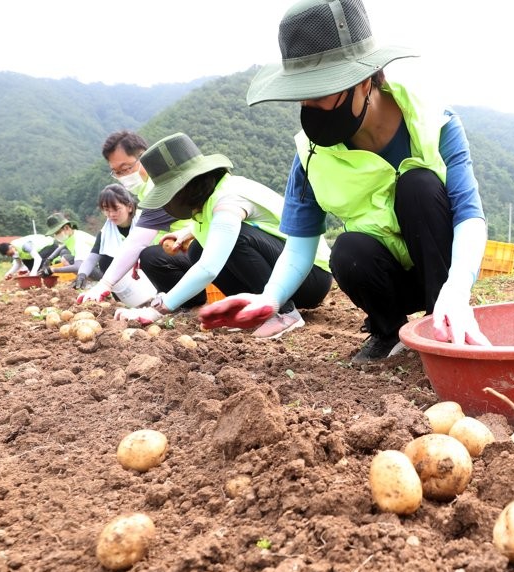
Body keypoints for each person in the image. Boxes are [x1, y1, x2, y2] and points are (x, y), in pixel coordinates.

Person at [199, 0, 491, 364]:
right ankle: (388, 332)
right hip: (385, 275)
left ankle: (442, 322)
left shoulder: (435, 124)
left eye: (322, 91)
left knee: (418, 185)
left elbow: (469, 215)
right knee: (349, 249)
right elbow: (300, 245)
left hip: (441, 270)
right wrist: (270, 297)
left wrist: (457, 288)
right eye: (302, 94)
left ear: (367, 79)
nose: (311, 106)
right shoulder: (310, 155)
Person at [113, 132, 333, 338]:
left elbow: (209, 267)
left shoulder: (229, 199)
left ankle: (284, 314)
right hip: (283, 278)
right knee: (199, 247)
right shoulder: (210, 201)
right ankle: (251, 311)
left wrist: (157, 310)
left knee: (236, 241)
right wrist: (189, 231)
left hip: (308, 276)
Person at [75, 130, 194, 300]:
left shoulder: (160, 188)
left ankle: (189, 302)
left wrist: (105, 284)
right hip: (184, 251)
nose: (123, 177)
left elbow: (137, 242)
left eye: (126, 168)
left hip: (196, 249)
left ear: (144, 158)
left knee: (150, 256)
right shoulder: (145, 191)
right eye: (116, 172)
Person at [40, 213, 98, 278]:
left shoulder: (80, 239)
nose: (56, 236)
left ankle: (85, 280)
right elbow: (62, 247)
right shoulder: (73, 237)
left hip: (103, 270)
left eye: (57, 232)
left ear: (66, 228)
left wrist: (52, 270)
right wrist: (48, 260)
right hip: (94, 265)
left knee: (65, 258)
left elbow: (78, 266)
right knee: (64, 252)